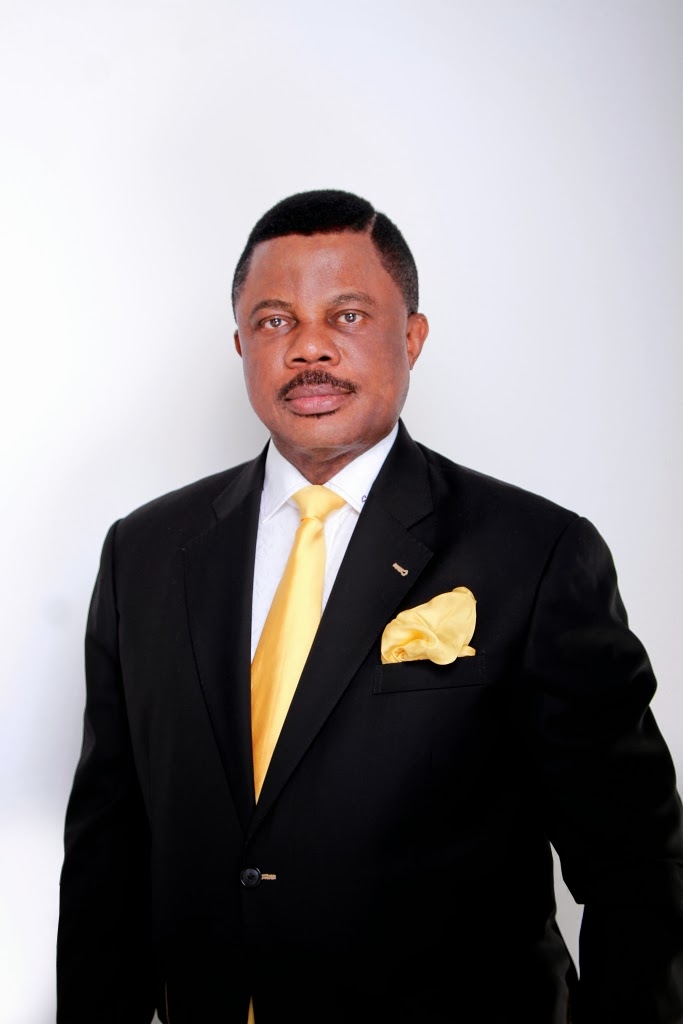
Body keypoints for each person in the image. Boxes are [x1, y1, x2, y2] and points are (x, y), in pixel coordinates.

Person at [57, 189, 683, 1024]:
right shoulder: (143, 553)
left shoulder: (533, 554)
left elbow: (635, 866)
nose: (308, 347)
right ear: (241, 344)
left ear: (411, 337)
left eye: (346, 316)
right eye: (274, 321)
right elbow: (107, 853)